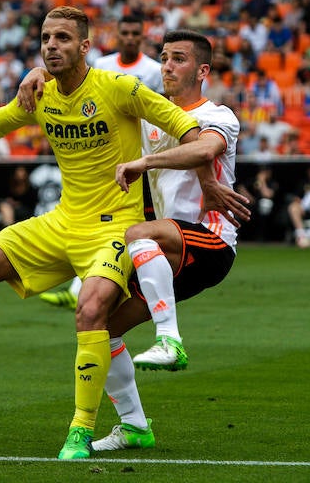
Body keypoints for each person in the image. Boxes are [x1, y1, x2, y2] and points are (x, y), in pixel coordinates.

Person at [0, 7, 248, 459]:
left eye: (62, 37)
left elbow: (193, 131)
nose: (50, 45)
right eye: (45, 38)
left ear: (85, 46)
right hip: (64, 220)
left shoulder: (121, 89)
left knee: (90, 309)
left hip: (120, 227)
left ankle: (82, 427)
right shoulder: (42, 93)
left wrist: (208, 179)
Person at [89, 29, 241, 451]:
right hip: (163, 254)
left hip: (210, 241)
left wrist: (145, 161)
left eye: (178, 59)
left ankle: (169, 340)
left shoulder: (219, 113)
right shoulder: (153, 118)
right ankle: (135, 426)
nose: (167, 66)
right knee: (100, 328)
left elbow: (203, 150)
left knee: (139, 234)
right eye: (164, 58)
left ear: (202, 70)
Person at [39, 12, 163, 309]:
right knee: (98, 220)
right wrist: (37, 73)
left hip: (149, 156)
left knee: (142, 225)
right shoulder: (104, 65)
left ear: (142, 36)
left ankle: (138, 291)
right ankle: (82, 287)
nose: (131, 38)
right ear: (118, 35)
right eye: (126, 33)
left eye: (136, 33)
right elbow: (71, 79)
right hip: (109, 158)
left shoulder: (155, 70)